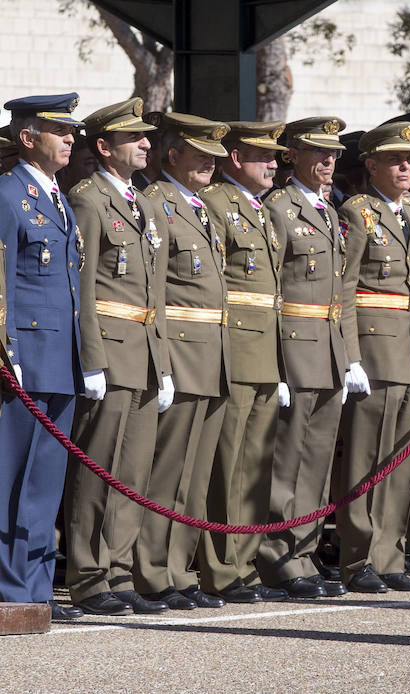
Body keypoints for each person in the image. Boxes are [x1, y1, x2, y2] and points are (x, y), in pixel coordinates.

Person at [64, 98, 174, 617]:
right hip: (109, 348)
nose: (147, 144)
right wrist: (91, 358)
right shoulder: (87, 199)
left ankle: (120, 570)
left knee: (132, 472)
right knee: (97, 469)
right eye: (136, 139)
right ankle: (88, 575)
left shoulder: (146, 202)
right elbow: (82, 288)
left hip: (147, 351)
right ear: (105, 147)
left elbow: (157, 292)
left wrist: (166, 364)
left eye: (147, 137)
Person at [132, 113, 232, 610]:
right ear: (172, 156)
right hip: (181, 348)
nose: (210, 165)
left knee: (194, 475)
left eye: (215, 157)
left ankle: (177, 567)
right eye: (201, 155)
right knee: (167, 469)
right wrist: (164, 362)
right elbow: (155, 288)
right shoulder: (156, 202)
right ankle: (151, 571)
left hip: (212, 350)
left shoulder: (198, 204)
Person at [257, 117, 350, 598]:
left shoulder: (328, 209)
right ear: (294, 156)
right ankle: (276, 554)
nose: (329, 161)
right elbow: (270, 287)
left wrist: (349, 355)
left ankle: (304, 548)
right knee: (287, 457)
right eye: (318, 152)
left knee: (315, 459)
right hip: (296, 342)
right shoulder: (279, 206)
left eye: (333, 153)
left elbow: (344, 290)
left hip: (330, 344)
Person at [336, 120, 410, 593]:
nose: (406, 167)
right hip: (374, 347)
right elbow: (345, 289)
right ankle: (359, 559)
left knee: (402, 459)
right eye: (396, 159)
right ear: (371, 164)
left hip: (409, 350)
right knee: (366, 457)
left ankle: (390, 555)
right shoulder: (357, 212)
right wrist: (351, 356)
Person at [0, 94, 85, 621]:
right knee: (12, 475)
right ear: (28, 138)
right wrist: (7, 351)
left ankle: (35, 587)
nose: (70, 138)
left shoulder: (55, 195)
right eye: (59, 130)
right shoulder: (8, 195)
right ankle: (12, 588)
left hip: (61, 354)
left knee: (45, 479)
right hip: (26, 354)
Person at [197, 121, 289, 604]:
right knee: (227, 464)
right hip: (235, 346)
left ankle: (245, 564)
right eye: (262, 155)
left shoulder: (258, 208)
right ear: (235, 159)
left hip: (267, 349)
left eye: (274, 155)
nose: (274, 162)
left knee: (256, 466)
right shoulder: (217, 203)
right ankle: (220, 567)